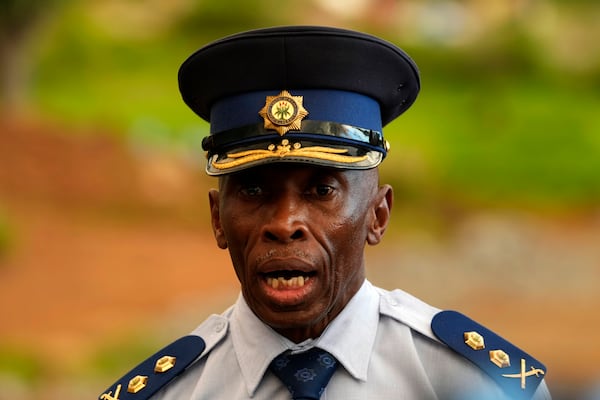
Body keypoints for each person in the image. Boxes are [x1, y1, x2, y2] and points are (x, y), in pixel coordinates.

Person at [98, 26, 551, 400]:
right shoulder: (171, 393)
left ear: (378, 215)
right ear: (218, 218)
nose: (284, 223)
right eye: (254, 190)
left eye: (321, 190)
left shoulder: (471, 384)